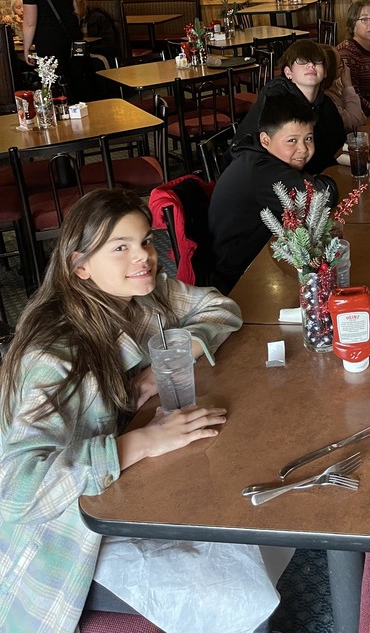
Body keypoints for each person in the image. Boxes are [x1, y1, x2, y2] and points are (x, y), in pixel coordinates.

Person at [0, 189, 289, 633]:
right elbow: (16, 490)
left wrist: (177, 350)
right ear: (80, 267)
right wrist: (137, 442)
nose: (144, 257)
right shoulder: (52, 353)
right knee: (239, 587)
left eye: (146, 242)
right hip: (70, 538)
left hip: (135, 492)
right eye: (120, 247)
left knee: (261, 500)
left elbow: (220, 306)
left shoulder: (144, 298)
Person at [210, 96, 340, 292]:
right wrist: (325, 180)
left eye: (308, 138)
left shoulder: (256, 155)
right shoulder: (262, 170)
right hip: (241, 279)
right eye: (292, 141)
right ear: (265, 139)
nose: (303, 149)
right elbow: (322, 197)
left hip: (260, 255)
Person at [234, 39, 345, 173]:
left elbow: (335, 146)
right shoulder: (277, 100)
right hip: (253, 171)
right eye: (302, 61)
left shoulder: (325, 104)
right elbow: (281, 156)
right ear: (288, 72)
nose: (310, 65)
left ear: (325, 72)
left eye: (317, 61)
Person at [21, 0, 86, 98]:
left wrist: (26, 49)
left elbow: (30, 23)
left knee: (54, 84)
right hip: (75, 40)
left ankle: (63, 115)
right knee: (78, 78)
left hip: (49, 43)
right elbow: (77, 11)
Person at [337, 0, 370, 115]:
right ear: (352, 24)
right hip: (360, 116)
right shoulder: (346, 53)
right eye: (364, 19)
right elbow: (353, 96)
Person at [322, 45, 366, 132]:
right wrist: (348, 86)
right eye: (341, 63)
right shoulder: (326, 98)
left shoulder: (336, 85)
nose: (345, 68)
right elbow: (355, 123)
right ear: (331, 72)